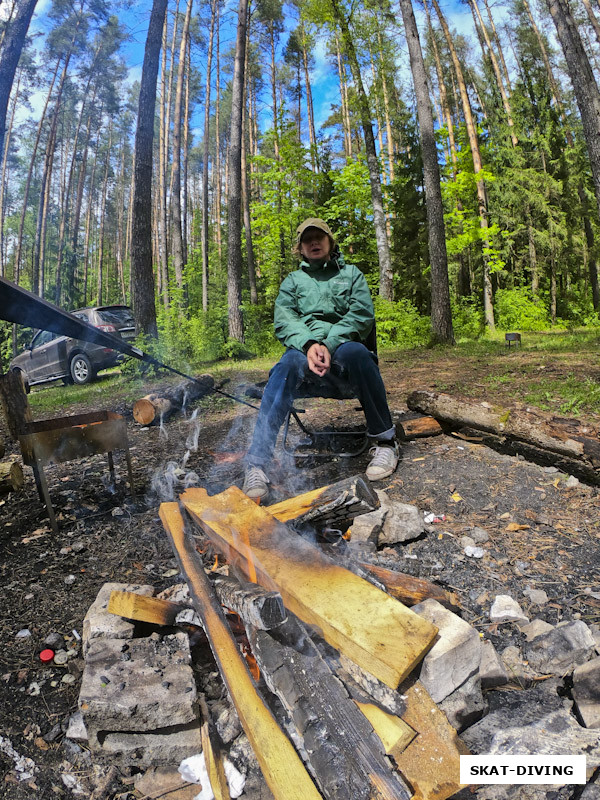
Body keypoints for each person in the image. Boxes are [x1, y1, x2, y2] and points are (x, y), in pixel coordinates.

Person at [242, 217, 399, 501]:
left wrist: (327, 343)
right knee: (286, 365)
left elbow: (361, 315)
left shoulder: (351, 275)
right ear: (300, 248)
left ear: (330, 242)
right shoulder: (293, 282)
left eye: (319, 237)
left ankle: (386, 442)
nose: (314, 242)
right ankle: (257, 463)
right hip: (304, 357)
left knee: (358, 352)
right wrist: (310, 344)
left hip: (344, 358)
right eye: (307, 239)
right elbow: (285, 319)